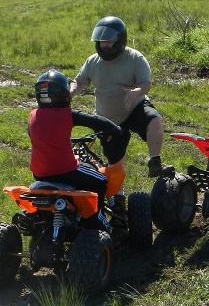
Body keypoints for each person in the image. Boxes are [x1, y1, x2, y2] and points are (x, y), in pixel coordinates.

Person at [70, 16, 174, 232]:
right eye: (100, 42)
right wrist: (70, 92)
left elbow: (146, 83)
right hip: (107, 118)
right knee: (115, 163)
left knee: (154, 119)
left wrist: (137, 92)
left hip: (134, 108)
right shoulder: (93, 62)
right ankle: (118, 203)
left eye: (108, 41)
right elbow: (79, 82)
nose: (103, 45)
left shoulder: (135, 58)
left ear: (120, 41)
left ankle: (154, 160)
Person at [28, 69, 124, 230]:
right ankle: (96, 219)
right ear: (64, 95)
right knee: (101, 181)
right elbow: (99, 122)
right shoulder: (67, 115)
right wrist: (116, 131)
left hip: (39, 173)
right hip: (66, 172)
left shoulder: (32, 115)